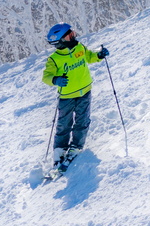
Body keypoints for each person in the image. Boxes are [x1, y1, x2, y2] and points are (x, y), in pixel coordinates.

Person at [41, 23, 109, 172]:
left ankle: (76, 145)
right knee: (64, 124)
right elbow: (46, 77)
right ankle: (60, 150)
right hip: (67, 96)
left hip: (85, 91)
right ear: (61, 40)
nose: (74, 36)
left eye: (73, 33)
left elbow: (89, 57)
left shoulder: (79, 48)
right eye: (70, 35)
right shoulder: (54, 59)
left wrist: (99, 55)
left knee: (82, 120)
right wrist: (55, 80)